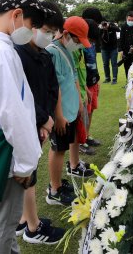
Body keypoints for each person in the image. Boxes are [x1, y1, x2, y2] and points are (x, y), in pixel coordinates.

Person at [0, 0, 51, 253]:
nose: (30, 32)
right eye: (31, 25)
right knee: (5, 224)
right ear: (16, 15)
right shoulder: (0, 52)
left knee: (4, 222)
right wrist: (24, 164)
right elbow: (11, 112)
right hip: (6, 146)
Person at [13, 1, 66, 245]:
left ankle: (24, 219)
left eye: (53, 31)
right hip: (27, 124)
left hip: (41, 123)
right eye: (46, 29)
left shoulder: (42, 54)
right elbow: (19, 95)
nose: (49, 35)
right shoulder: (17, 53)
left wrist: (49, 120)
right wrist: (42, 120)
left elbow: (51, 87)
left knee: (28, 172)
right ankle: (32, 228)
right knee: (27, 175)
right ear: (32, 25)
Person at [45, 16, 93, 207]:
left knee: (63, 148)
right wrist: (58, 115)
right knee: (58, 149)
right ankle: (54, 190)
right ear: (66, 34)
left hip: (71, 110)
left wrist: (80, 102)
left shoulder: (66, 50)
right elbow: (53, 86)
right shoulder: (52, 52)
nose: (79, 45)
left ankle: (58, 184)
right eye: (77, 41)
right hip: (61, 114)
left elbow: (73, 76)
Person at [81, 11, 102, 148]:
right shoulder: (80, 43)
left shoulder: (91, 41)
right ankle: (81, 141)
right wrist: (85, 86)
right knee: (84, 113)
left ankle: (87, 136)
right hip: (85, 84)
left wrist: (97, 78)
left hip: (93, 81)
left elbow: (92, 61)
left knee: (91, 110)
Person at [94, 9, 120, 85]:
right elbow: (97, 36)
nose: (104, 25)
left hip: (113, 48)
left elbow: (118, 30)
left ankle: (114, 79)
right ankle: (107, 78)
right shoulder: (100, 28)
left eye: (105, 23)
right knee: (105, 64)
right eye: (103, 24)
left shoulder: (111, 25)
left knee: (114, 63)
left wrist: (110, 27)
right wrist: (100, 29)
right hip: (104, 48)